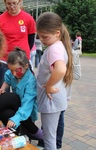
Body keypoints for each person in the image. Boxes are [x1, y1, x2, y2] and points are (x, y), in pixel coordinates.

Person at [36, 12, 73, 150]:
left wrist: (49, 86)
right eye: (39, 36)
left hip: (51, 102)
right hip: (54, 102)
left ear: (57, 33)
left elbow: (60, 69)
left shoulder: (54, 49)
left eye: (45, 37)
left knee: (49, 137)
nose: (42, 40)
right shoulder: (58, 46)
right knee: (50, 135)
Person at [0, 48, 43, 140]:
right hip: (17, 106)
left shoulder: (30, 82)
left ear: (26, 66)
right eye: (11, 70)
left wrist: (16, 118)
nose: (13, 74)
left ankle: (42, 139)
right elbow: (8, 79)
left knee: (27, 130)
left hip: (27, 111)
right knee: (18, 131)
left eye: (16, 70)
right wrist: (2, 89)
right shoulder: (13, 73)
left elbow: (27, 104)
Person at [0, 0, 36, 89]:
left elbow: (31, 40)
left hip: (22, 61)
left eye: (14, 3)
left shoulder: (28, 18)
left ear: (20, 1)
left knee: (24, 89)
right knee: (3, 90)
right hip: (4, 60)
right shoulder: (0, 19)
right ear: (5, 3)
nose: (12, 6)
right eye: (9, 4)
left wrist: (23, 54)